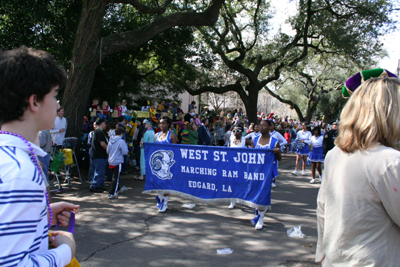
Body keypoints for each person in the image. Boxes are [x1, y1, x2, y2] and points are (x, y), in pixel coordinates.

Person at [0, 46, 78, 266]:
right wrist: (66, 250)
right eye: (55, 96)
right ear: (34, 101)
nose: (58, 105)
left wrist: (40, 214)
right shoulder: (20, 174)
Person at [316, 77, 400, 266]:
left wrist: (322, 253)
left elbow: (322, 208)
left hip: (337, 259)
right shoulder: (389, 162)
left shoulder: (335, 154)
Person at [251, 119, 281, 229]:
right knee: (256, 192)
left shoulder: (274, 141)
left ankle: (261, 218)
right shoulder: (255, 140)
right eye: (260, 125)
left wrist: (277, 152)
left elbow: (279, 158)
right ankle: (259, 209)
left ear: (270, 127)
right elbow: (251, 156)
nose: (261, 127)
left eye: (264, 125)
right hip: (256, 171)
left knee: (263, 193)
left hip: (267, 172)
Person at [154, 116, 178, 212]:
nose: (161, 125)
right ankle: (160, 200)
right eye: (160, 123)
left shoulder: (171, 135)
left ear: (168, 124)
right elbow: (153, 149)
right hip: (158, 164)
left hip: (168, 165)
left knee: (166, 185)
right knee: (158, 184)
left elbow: (175, 150)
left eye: (163, 123)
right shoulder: (156, 135)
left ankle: (165, 203)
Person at [227, 123, 253, 209]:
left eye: (237, 131)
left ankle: (246, 199)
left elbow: (253, 146)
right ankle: (232, 201)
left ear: (241, 131)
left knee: (243, 183)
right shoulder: (231, 139)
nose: (235, 132)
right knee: (232, 182)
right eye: (234, 130)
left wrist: (248, 154)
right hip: (232, 165)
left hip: (242, 165)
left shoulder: (245, 139)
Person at [107, 127, 129, 199]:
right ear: (121, 134)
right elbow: (125, 152)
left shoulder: (110, 140)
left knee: (114, 176)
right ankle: (112, 193)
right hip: (117, 161)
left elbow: (108, 151)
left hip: (111, 160)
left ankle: (118, 188)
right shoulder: (121, 141)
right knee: (115, 178)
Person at [89, 118, 108, 193]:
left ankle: (99, 184)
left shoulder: (97, 132)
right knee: (99, 170)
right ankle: (95, 185)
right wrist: (108, 150)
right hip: (99, 155)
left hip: (99, 155)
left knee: (101, 170)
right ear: (102, 123)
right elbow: (102, 143)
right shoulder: (99, 132)